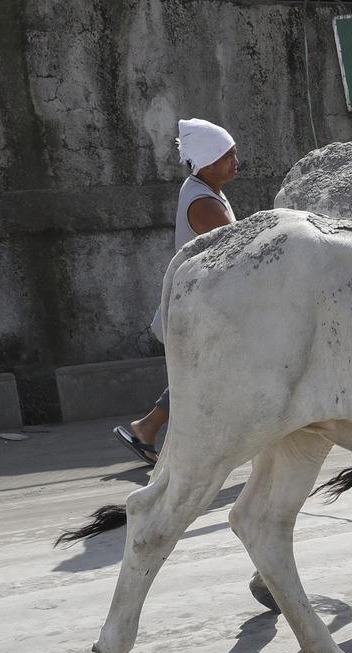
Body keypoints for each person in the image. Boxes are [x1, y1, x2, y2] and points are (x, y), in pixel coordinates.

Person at [114, 118, 238, 465]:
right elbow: (241, 251)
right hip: (200, 309)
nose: (235, 162)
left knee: (204, 374)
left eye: (234, 154)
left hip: (202, 304)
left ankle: (148, 429)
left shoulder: (206, 189)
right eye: (228, 156)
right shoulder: (205, 204)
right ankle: (160, 434)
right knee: (208, 375)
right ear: (207, 163)